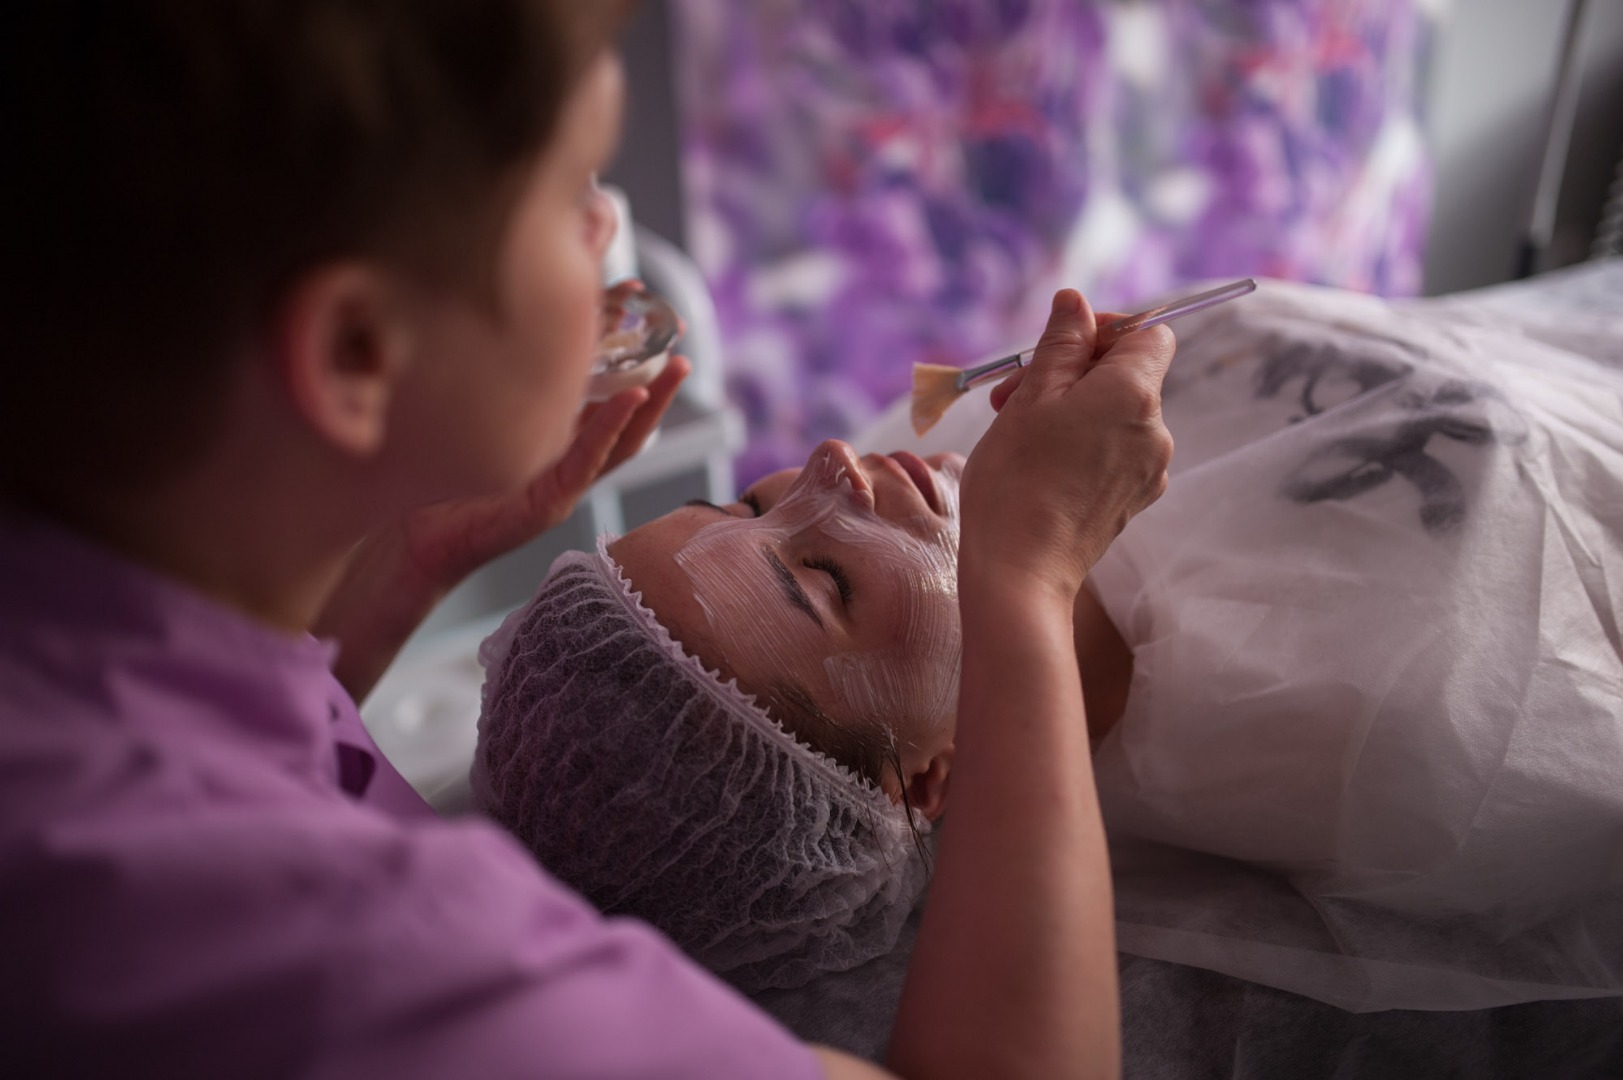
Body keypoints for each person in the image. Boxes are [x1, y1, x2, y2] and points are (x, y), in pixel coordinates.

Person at [0, 2, 1179, 1077]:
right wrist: (1025, 577)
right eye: (571, 195)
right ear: (357, 352)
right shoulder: (403, 980)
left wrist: (402, 559)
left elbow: (248, 739)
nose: (609, 226)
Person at [472, 276, 1623, 1052]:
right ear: (932, 779)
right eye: (822, 581)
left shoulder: (970, 460)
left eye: (744, 501)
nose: (828, 464)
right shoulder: (1390, 747)